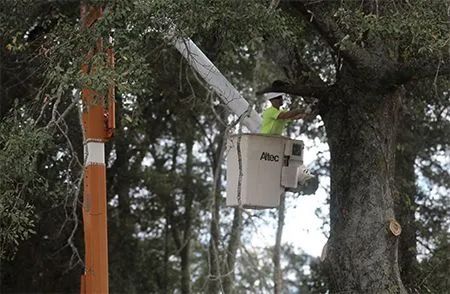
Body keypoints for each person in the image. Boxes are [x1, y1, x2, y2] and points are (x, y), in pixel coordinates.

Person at [260, 92, 318, 194]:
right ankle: (293, 181)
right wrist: (302, 109)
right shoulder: (270, 112)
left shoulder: (280, 112)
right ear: (272, 101)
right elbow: (286, 115)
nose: (281, 99)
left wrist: (306, 113)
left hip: (275, 143)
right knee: (282, 161)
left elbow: (293, 117)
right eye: (278, 98)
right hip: (266, 142)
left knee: (289, 159)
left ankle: (298, 179)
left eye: (281, 97)